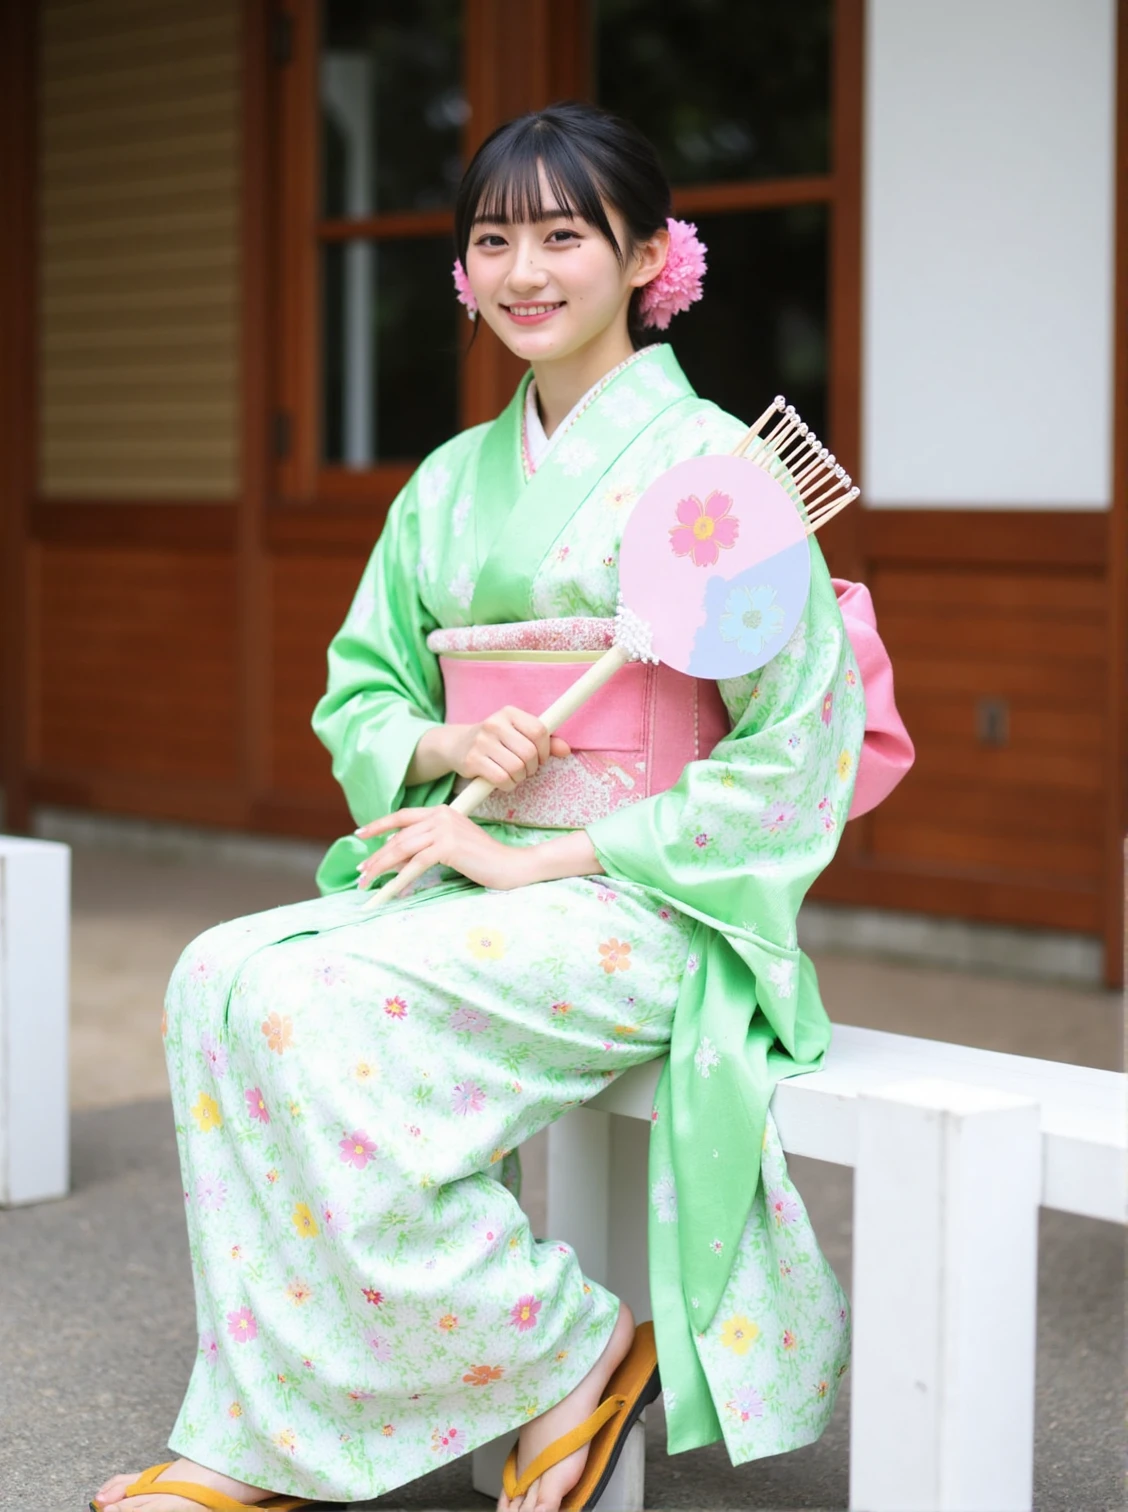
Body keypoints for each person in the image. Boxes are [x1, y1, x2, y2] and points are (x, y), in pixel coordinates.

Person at [92, 100, 869, 1512]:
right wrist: (455, 751)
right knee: (215, 978)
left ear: (648, 258)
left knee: (315, 1014)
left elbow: (794, 752)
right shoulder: (449, 486)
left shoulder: (719, 485)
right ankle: (313, 1417)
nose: (525, 270)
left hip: (644, 901)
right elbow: (361, 695)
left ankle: (555, 1350)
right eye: (494, 238)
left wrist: (556, 852)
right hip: (481, 880)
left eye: (566, 235)